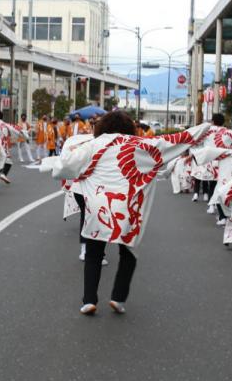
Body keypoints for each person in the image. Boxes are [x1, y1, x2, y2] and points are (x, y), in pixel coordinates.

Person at [42, 111, 212, 315]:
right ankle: (118, 297)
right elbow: (173, 141)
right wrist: (206, 126)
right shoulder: (139, 145)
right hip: (127, 204)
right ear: (128, 127)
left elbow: (64, 167)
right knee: (128, 250)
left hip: (99, 204)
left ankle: (89, 300)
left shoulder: (92, 145)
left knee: (94, 252)